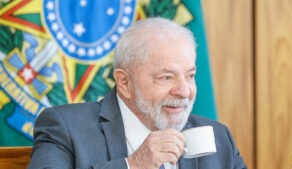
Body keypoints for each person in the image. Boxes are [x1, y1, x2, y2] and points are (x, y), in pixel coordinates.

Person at [27, 17, 247, 169]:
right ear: (124, 82)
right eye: (166, 77)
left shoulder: (219, 138)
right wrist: (134, 165)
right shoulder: (65, 127)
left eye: (190, 75)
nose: (184, 90)